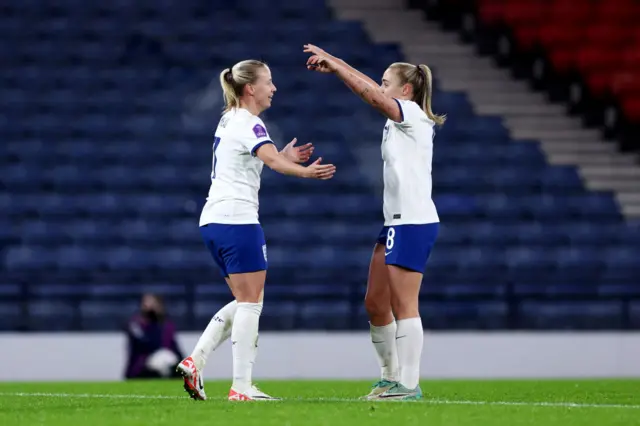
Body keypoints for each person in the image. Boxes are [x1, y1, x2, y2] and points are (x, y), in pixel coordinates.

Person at [176, 59, 336, 402]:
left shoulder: (229, 119)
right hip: (238, 219)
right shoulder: (251, 123)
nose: (273, 88)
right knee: (251, 304)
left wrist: (283, 153)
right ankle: (241, 387)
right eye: (268, 81)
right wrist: (306, 172)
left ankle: (196, 360)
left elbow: (258, 159)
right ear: (251, 88)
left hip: (214, 220)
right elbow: (274, 163)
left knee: (246, 301)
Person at [304, 44, 445, 400]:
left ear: (406, 91)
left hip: (413, 221)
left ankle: (408, 385)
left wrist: (336, 65)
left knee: (404, 304)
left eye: (387, 83)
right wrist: (339, 64)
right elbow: (369, 88)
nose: (380, 88)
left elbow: (371, 95)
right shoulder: (399, 115)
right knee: (376, 302)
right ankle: (389, 376)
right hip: (395, 222)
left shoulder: (411, 113)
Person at [124, 294, 184, 379]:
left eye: (154, 304)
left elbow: (174, 347)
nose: (150, 306)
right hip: (141, 368)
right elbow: (148, 343)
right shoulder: (135, 325)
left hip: (166, 364)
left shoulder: (168, 326)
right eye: (147, 303)